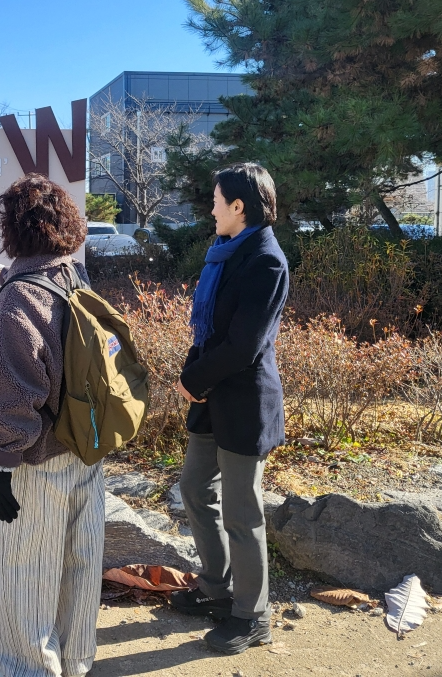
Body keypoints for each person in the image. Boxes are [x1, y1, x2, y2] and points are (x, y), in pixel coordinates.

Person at [0, 173, 103, 677]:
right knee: (78, 564)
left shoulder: (15, 303)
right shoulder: (75, 280)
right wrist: (3, 277)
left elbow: (14, 397)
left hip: (38, 457)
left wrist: (0, 466)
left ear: (13, 229)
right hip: (85, 447)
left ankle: (25, 668)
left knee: (27, 567)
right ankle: (73, 661)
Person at [169, 164, 289, 655]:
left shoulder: (265, 260)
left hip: (242, 403)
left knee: (242, 511)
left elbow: (244, 345)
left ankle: (252, 615)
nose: (212, 208)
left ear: (239, 206)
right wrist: (191, 370)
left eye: (217, 199)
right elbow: (210, 330)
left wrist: (193, 377)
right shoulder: (225, 253)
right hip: (211, 398)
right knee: (195, 488)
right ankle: (217, 591)